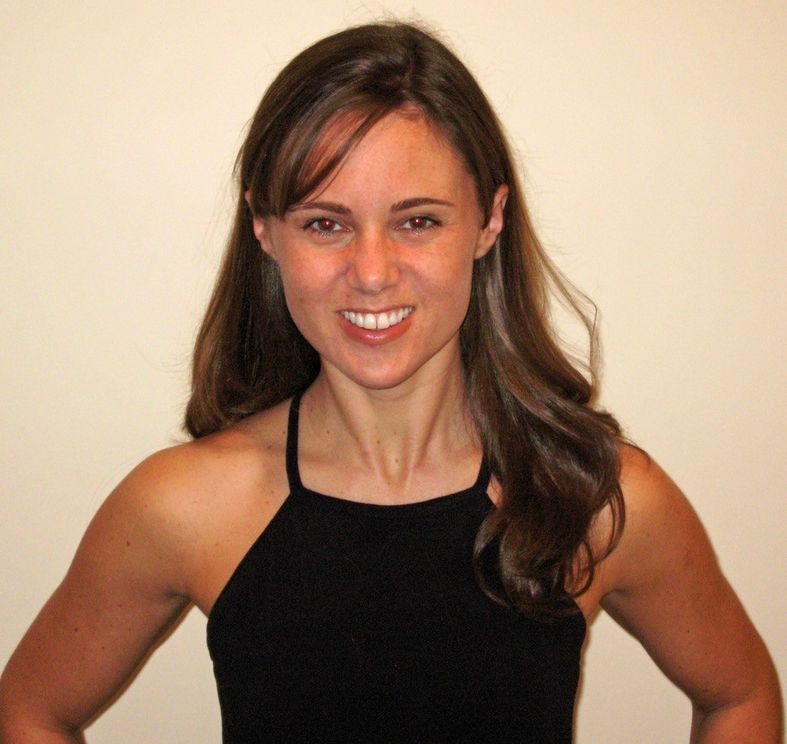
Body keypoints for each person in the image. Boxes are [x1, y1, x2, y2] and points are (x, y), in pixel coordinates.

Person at [0, 21, 781, 744]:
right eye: (325, 223)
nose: (371, 274)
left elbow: (740, 694)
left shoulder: (595, 499)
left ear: (488, 222)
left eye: (417, 221)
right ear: (265, 232)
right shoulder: (186, 505)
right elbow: (30, 709)